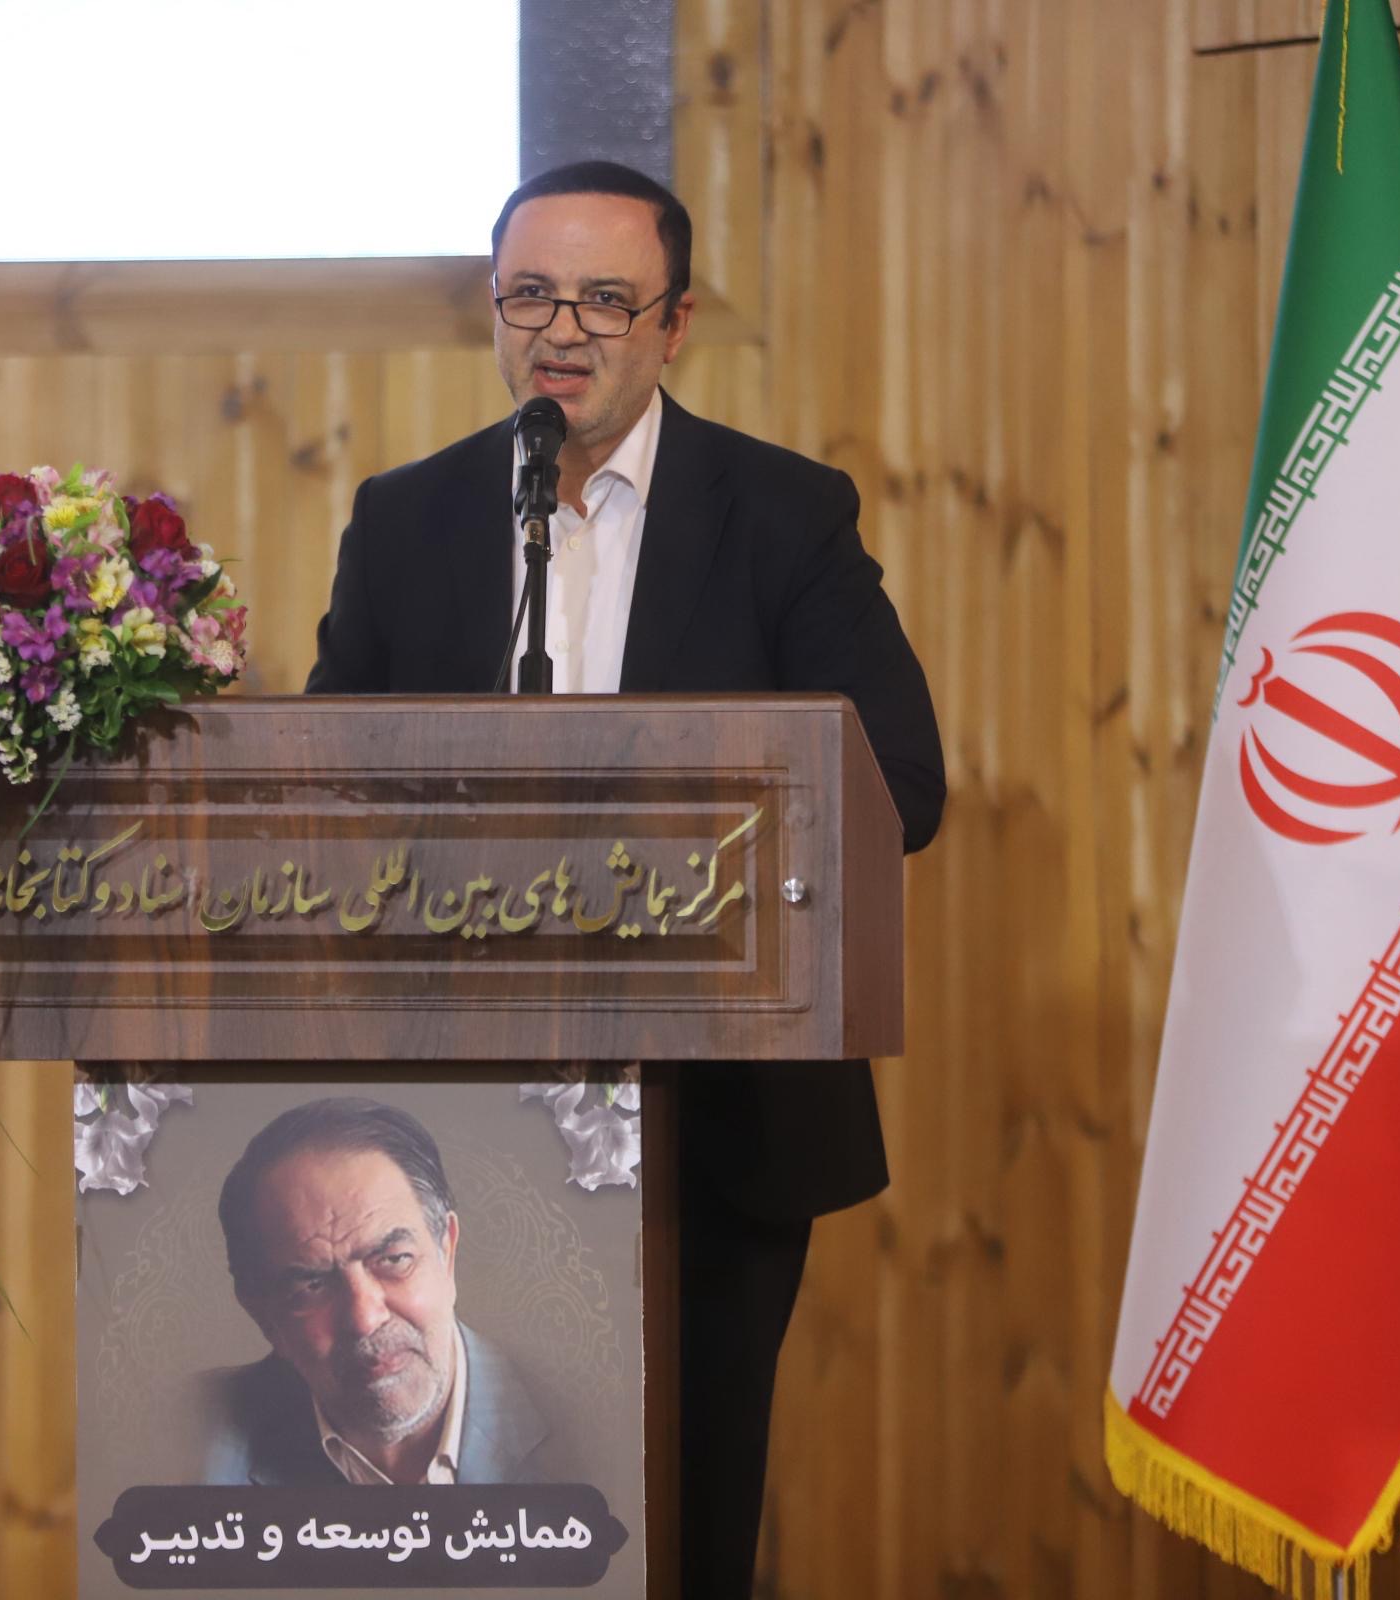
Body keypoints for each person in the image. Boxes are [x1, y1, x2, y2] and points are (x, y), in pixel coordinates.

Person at [304, 160, 945, 1594]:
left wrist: (654, 856)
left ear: (675, 323)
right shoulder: (407, 518)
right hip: (453, 1117)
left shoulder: (782, 514)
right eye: (530, 295)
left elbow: (898, 782)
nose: (563, 329)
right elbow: (330, 792)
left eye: (605, 298)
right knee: (468, 1537)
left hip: (716, 1112)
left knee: (684, 1518)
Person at [195, 1096, 577, 1486]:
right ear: (263, 1316)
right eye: (313, 1284)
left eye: (394, 1260)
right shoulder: (194, 1441)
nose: (365, 1319)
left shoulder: (578, 1419)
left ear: (447, 1252)